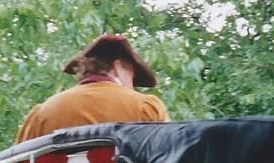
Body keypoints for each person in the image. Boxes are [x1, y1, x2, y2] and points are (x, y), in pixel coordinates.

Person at [14, 34, 168, 142]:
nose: (133, 87)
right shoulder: (146, 108)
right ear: (117, 67)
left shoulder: (43, 113)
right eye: (132, 77)